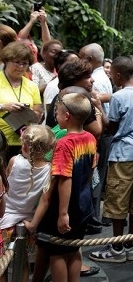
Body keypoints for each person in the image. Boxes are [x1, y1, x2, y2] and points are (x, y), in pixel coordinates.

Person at [25, 93, 97, 282]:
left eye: (56, 112)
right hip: (83, 205)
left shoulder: (64, 144)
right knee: (73, 249)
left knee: (57, 253)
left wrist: (62, 213)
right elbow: (90, 170)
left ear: (67, 116)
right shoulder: (90, 137)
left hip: (64, 208)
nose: (55, 117)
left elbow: (64, 179)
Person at [88, 56, 133, 263]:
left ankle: (116, 248)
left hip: (124, 153)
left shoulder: (119, 96)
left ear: (118, 74)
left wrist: (98, 107)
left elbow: (110, 127)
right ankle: (130, 245)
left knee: (117, 199)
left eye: (112, 73)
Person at [0, 125, 55, 282]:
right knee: (22, 263)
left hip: (4, 221)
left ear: (24, 145)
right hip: (25, 223)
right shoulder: (48, 169)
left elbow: (5, 187)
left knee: (1, 267)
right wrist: (33, 225)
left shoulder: (14, 161)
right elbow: (45, 200)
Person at [79, 43, 112, 226]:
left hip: (98, 134)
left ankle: (90, 218)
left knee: (94, 177)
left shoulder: (95, 79)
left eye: (81, 58)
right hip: (102, 132)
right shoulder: (102, 76)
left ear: (90, 60)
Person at [0, 41, 42, 161]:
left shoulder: (32, 86)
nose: (21, 67)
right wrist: (4, 106)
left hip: (22, 140)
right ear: (6, 60)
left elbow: (38, 113)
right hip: (1, 138)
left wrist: (30, 114)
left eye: (25, 63)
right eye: (17, 62)